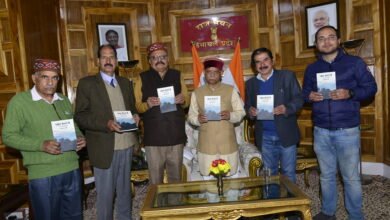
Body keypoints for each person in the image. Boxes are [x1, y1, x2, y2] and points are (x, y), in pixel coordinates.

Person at [302, 25, 377, 220]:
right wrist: (309, 96)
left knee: (350, 177)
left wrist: (350, 93)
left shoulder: (355, 63)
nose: (326, 41)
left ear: (338, 40)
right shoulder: (312, 68)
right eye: (321, 38)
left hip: (347, 130)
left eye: (330, 37)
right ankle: (328, 212)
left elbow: (370, 87)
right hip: (321, 131)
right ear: (316, 44)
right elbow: (304, 94)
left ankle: (355, 215)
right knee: (326, 176)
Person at [2, 58, 86, 220]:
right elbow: (8, 136)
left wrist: (81, 138)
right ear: (34, 78)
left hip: (71, 170)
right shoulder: (20, 102)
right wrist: (40, 145)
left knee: (74, 216)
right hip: (43, 174)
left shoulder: (63, 101)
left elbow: (73, 127)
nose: (50, 82)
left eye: (55, 78)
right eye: (45, 77)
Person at [74, 44, 140, 220]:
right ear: (98, 61)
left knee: (125, 192)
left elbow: (132, 109)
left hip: (126, 145)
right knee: (105, 196)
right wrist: (106, 123)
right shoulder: (87, 84)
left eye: (111, 57)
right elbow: (80, 116)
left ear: (116, 61)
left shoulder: (126, 83)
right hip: (103, 148)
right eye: (104, 57)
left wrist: (136, 116)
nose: (108, 60)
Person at [245, 47, 303, 183]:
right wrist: (250, 111)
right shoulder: (250, 84)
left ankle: (290, 203)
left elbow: (299, 99)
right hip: (264, 136)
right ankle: (274, 202)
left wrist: (286, 108)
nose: (262, 64)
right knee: (269, 174)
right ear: (254, 66)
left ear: (272, 61)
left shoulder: (287, 76)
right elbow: (247, 106)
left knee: (288, 173)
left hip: (286, 134)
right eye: (258, 62)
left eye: (265, 60)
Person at [134, 42, 189, 184]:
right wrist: (148, 104)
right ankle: (156, 206)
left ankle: (176, 206)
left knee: (176, 178)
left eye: (163, 56)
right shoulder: (142, 78)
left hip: (175, 135)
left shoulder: (177, 75)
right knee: (155, 179)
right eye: (155, 57)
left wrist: (182, 100)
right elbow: (137, 106)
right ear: (149, 61)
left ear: (168, 58)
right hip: (154, 138)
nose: (159, 60)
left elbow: (188, 101)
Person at [187, 57, 245, 177]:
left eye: (215, 72)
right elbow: (191, 116)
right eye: (209, 72)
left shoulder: (231, 90)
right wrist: (197, 119)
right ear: (204, 74)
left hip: (227, 143)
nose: (212, 75)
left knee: (231, 180)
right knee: (208, 182)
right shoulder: (196, 93)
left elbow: (241, 112)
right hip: (207, 145)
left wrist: (230, 115)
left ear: (221, 74)